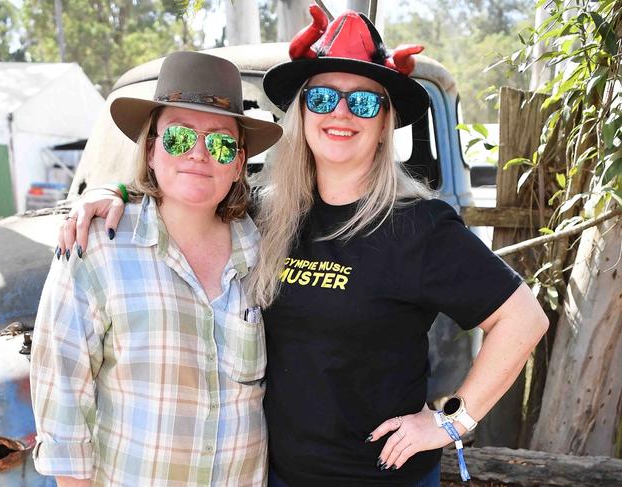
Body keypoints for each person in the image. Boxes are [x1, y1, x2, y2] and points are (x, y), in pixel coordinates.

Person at [58, 7, 549, 487]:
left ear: (384, 125)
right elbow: (189, 184)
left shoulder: (418, 226)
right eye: (322, 98)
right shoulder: (265, 214)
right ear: (301, 112)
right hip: (274, 474)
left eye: (363, 102)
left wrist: (451, 421)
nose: (340, 112)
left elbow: (524, 319)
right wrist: (117, 191)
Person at [30, 51, 282, 487]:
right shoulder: (98, 246)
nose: (200, 155)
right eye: (180, 138)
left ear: (239, 163)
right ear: (151, 150)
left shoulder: (265, 249)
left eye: (221, 143)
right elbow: (63, 396)